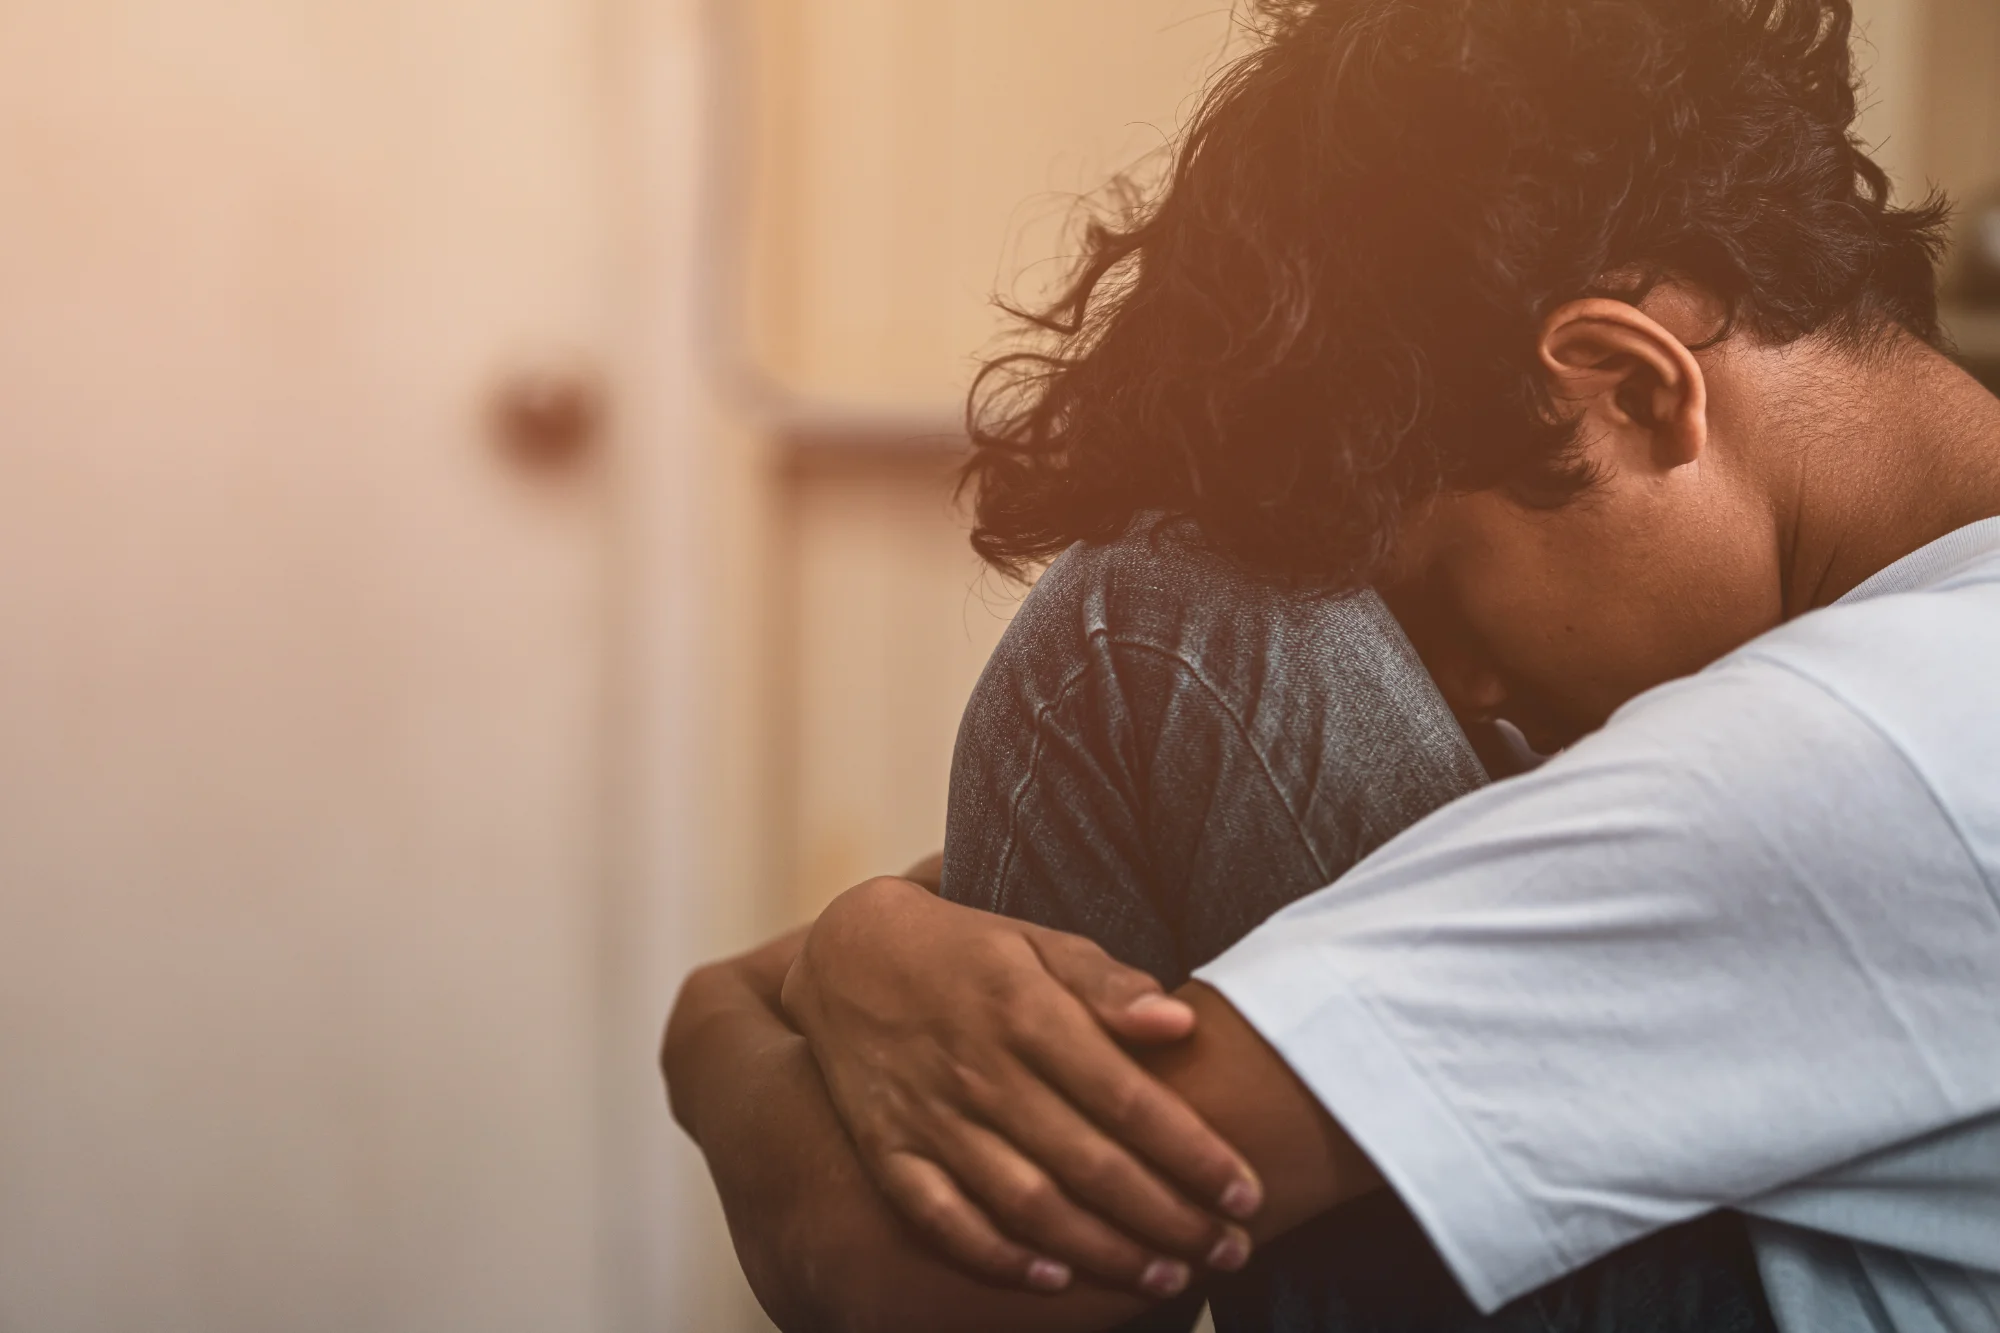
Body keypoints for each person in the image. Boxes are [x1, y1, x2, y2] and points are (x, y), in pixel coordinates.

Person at [663, 1, 2000, 1330]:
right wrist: (868, 941)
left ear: (1633, 386)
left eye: (1435, 601)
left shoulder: (1858, 750)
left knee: (1156, 613)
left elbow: (940, 1297)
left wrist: (719, 1024)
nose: (1462, 692)